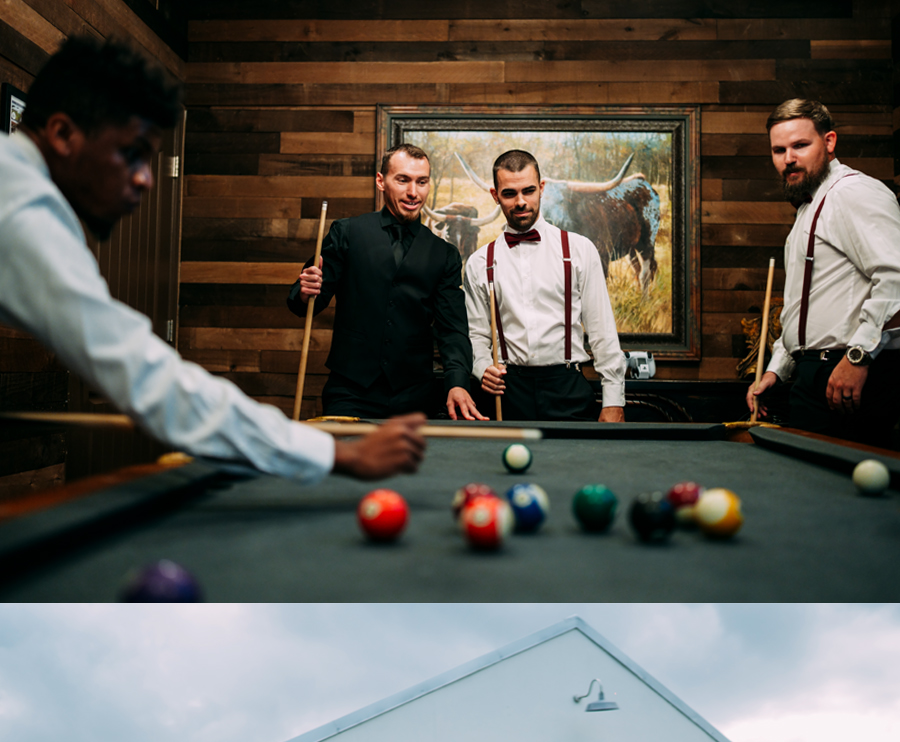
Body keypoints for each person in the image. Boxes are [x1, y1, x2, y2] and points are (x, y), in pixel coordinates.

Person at [0, 37, 425, 484]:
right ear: (64, 134)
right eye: (131, 153)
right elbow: (146, 377)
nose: (145, 180)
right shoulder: (22, 210)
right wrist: (335, 455)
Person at [289, 144, 484, 422]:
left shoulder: (444, 254)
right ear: (381, 181)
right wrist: (305, 291)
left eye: (421, 182)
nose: (413, 192)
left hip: (416, 395)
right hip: (351, 391)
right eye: (402, 180)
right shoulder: (347, 233)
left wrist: (457, 382)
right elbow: (306, 301)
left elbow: (452, 330)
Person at [746, 99, 900, 447]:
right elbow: (807, 305)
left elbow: (896, 279)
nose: (789, 158)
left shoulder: (853, 192)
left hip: (850, 373)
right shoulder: (810, 206)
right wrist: (777, 370)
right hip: (814, 373)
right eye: (779, 150)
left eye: (800, 145)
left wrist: (859, 356)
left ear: (829, 142)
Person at [463, 148, 627, 422]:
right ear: (495, 195)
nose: (520, 202)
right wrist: (481, 367)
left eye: (528, 191)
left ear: (541, 188)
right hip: (507, 391)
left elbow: (602, 332)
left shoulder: (579, 250)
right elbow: (477, 335)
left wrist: (613, 400)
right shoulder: (480, 262)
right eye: (509, 193)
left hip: (567, 387)